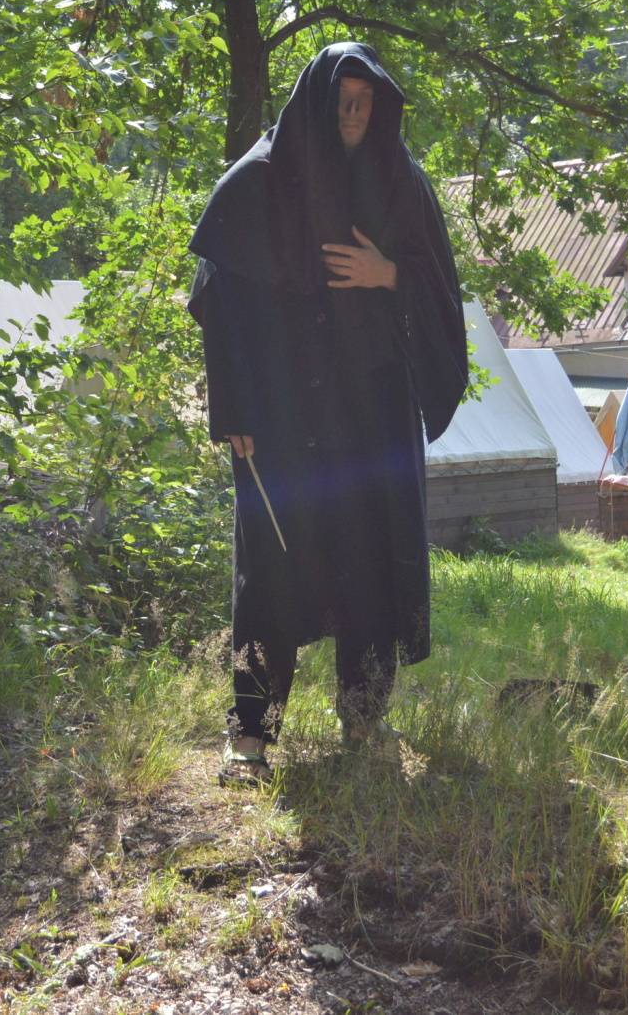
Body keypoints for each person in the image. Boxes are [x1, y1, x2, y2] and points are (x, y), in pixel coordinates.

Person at [187, 42, 469, 783]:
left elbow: (442, 292)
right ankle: (250, 735)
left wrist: (389, 273)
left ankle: (365, 719)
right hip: (280, 418)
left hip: (372, 414)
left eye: (364, 101)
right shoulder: (260, 180)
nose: (352, 112)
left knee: (372, 562)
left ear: (381, 107)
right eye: (342, 99)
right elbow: (221, 304)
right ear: (316, 101)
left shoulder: (400, 183)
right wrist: (234, 410)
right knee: (270, 571)